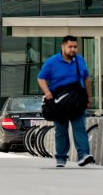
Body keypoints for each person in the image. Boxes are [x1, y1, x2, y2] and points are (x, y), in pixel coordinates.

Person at [37, 35, 94, 168]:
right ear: (63, 47)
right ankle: (61, 158)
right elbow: (41, 77)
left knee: (79, 128)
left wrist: (89, 97)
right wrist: (47, 92)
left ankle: (84, 155)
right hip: (60, 102)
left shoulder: (80, 60)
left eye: (75, 46)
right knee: (61, 130)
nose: (73, 49)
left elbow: (87, 79)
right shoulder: (52, 62)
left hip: (77, 100)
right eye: (70, 46)